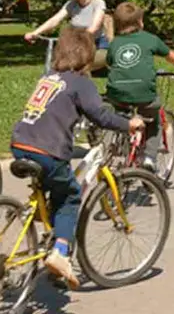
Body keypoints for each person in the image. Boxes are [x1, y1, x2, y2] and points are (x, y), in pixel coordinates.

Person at [11, 27, 143, 289]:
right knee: (70, 194)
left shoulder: (50, 76)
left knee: (53, 186)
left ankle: (46, 223)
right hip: (48, 150)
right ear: (88, 57)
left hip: (20, 143)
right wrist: (129, 124)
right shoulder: (81, 82)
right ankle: (60, 252)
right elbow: (100, 116)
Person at [105, 3, 174, 171]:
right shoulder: (150, 39)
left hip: (116, 93)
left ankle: (120, 146)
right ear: (140, 22)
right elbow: (172, 57)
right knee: (154, 120)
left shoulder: (114, 43)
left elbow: (110, 63)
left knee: (122, 114)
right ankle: (149, 158)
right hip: (144, 94)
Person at [25, 0, 112, 70]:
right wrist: (35, 33)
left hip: (97, 45)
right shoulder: (71, 4)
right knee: (62, 65)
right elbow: (54, 20)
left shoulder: (98, 3)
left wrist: (76, 42)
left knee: (78, 66)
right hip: (76, 47)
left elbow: (94, 27)